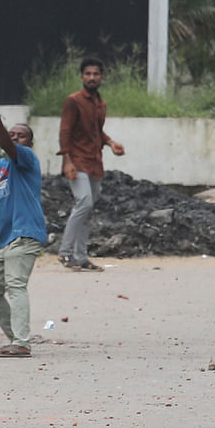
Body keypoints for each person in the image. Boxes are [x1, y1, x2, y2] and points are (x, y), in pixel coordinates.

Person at [0, 102, 47, 358]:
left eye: (21, 135)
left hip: (25, 233)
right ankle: (16, 338)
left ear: (29, 142)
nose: (15, 137)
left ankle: (21, 342)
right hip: (6, 240)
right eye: (13, 133)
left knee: (15, 286)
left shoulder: (26, 158)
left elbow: (7, 145)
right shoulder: (1, 166)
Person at [57, 57, 125, 272]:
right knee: (84, 203)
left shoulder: (100, 103)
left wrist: (111, 143)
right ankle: (65, 253)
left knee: (88, 210)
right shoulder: (73, 101)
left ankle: (81, 257)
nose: (92, 77)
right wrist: (66, 161)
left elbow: (96, 131)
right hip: (76, 161)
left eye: (96, 74)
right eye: (88, 74)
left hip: (95, 161)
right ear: (81, 77)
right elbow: (65, 132)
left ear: (102, 77)